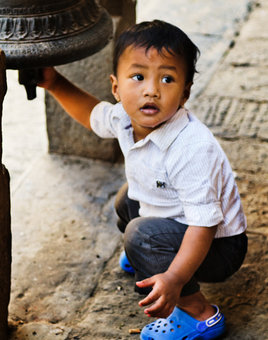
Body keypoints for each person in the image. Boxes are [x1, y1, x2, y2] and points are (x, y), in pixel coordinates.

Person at [37, 19, 247, 340]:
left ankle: (200, 314)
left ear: (185, 92)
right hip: (175, 218)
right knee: (126, 199)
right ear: (116, 87)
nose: (151, 90)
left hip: (219, 246)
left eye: (167, 78)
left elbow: (204, 226)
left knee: (141, 235)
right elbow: (93, 116)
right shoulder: (124, 116)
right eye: (138, 77)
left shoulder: (192, 148)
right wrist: (54, 83)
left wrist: (175, 279)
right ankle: (148, 256)